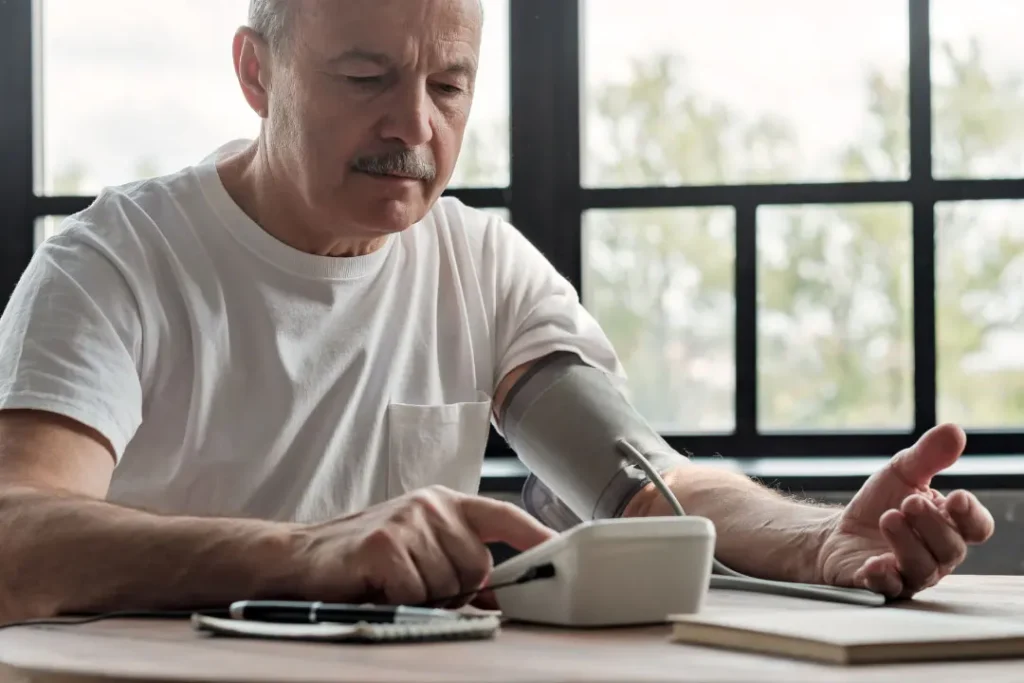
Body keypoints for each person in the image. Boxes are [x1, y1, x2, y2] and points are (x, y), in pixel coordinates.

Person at [0, 0, 994, 623]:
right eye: (365, 78)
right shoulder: (114, 264)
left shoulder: (477, 262)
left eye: (448, 84)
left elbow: (646, 486)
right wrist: (304, 552)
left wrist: (814, 543)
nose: (414, 126)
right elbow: (15, 538)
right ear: (257, 73)